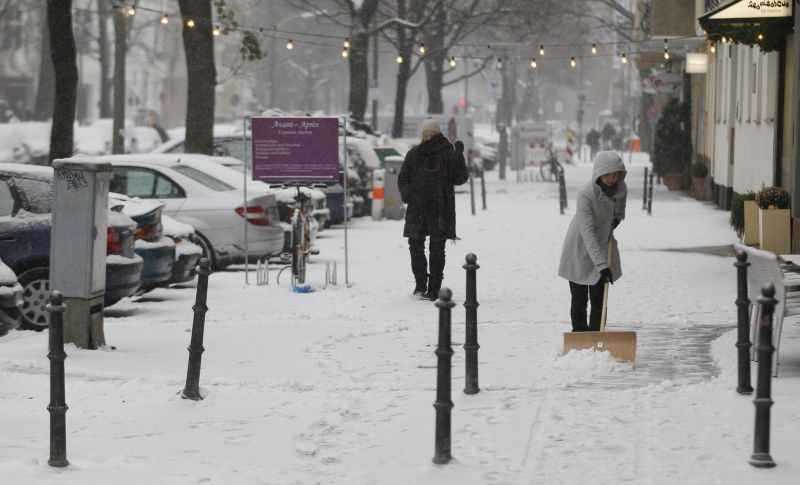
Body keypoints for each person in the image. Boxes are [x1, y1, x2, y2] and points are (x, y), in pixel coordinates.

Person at [398, 119, 469, 300]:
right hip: (417, 209)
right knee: (415, 247)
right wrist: (409, 194)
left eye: (431, 135)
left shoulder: (448, 154)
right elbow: (403, 178)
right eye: (425, 135)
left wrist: (459, 156)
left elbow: (459, 178)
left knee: (437, 249)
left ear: (438, 135)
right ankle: (420, 284)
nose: (428, 138)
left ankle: (434, 288)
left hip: (439, 209)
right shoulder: (414, 154)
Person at [557, 151, 627, 331]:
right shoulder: (586, 194)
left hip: (604, 244)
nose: (611, 179)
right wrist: (602, 265)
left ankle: (597, 338)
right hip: (580, 246)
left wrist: (616, 220)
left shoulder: (620, 189)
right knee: (580, 299)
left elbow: (619, 211)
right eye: (607, 174)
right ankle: (580, 338)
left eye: (615, 174)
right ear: (599, 173)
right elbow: (587, 233)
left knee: (599, 300)